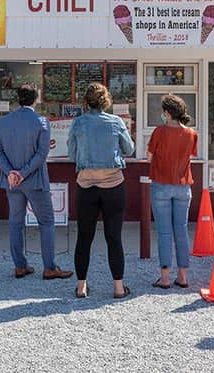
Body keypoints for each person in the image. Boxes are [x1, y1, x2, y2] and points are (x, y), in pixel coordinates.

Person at [0, 83, 73, 281]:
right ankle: (49, 267)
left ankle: (20, 266)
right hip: (35, 181)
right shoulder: (41, 122)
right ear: (35, 100)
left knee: (15, 223)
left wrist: (12, 172)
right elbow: (41, 154)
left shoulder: (4, 121)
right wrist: (23, 172)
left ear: (18, 99)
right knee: (46, 222)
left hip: (11, 182)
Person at [67, 83, 135, 299]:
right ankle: (118, 287)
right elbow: (129, 149)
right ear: (106, 101)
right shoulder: (115, 122)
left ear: (85, 101)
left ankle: (81, 286)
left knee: (84, 237)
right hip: (113, 184)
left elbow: (72, 153)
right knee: (114, 237)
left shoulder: (78, 123)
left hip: (86, 185)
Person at [147, 95, 198, 290]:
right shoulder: (191, 134)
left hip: (161, 184)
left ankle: (165, 277)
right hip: (183, 186)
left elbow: (149, 156)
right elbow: (189, 156)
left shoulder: (159, 131)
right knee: (182, 230)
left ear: (167, 113)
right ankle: (183, 276)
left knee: (164, 232)